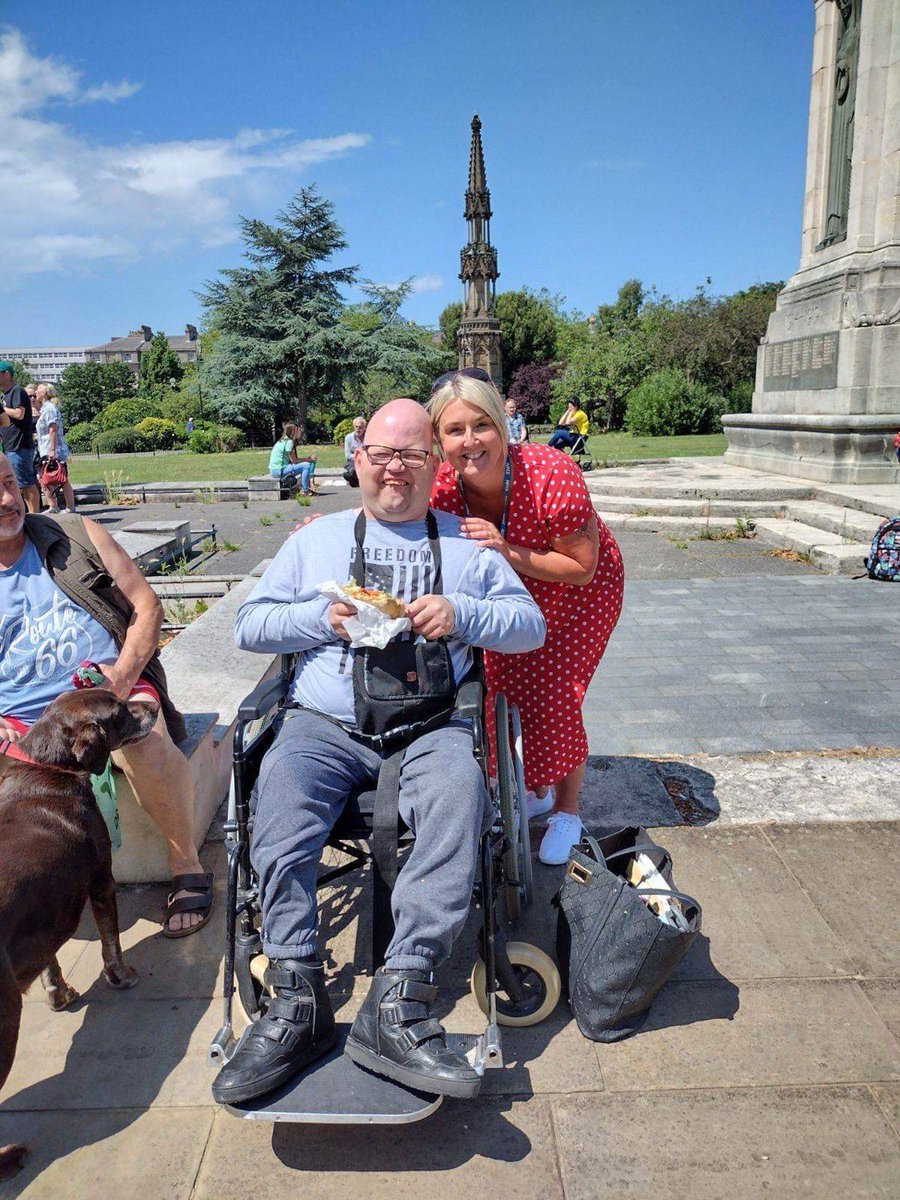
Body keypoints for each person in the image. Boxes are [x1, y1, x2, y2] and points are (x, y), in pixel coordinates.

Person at [213, 398, 545, 1105]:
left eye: (412, 455)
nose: (396, 467)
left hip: (430, 728)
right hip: (323, 726)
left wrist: (465, 614)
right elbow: (249, 626)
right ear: (359, 459)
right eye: (382, 454)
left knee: (461, 799)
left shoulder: (465, 545)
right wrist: (315, 618)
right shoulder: (316, 541)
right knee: (276, 804)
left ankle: (397, 1004)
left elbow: (530, 626)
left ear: (434, 465)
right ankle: (296, 994)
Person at [0, 453, 212, 936]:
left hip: (104, 689)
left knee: (147, 744)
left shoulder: (75, 533)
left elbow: (147, 606)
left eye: (10, 483)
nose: (8, 500)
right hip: (20, 716)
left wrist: (119, 678)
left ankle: (186, 867)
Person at [428, 370, 624, 865]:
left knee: (555, 689)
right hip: (510, 593)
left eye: (481, 426)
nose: (470, 441)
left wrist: (507, 549)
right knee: (499, 683)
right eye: (454, 431)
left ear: (501, 424)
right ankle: (532, 783)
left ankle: (567, 806)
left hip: (579, 590)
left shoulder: (550, 473)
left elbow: (583, 567)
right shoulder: (443, 487)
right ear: (439, 440)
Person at [0, 361, 39, 514]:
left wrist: (1, 409)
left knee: (26, 483)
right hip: (10, 446)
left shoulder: (17, 391)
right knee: (18, 482)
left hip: (19, 445)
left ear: (7, 374)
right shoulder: (5, 394)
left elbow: (19, 413)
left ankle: (34, 516)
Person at [35, 383, 76, 513]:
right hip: (46, 448)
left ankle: (69, 506)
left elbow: (52, 429)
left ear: (45, 392)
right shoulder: (44, 409)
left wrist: (52, 450)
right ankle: (54, 506)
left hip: (53, 449)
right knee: (45, 478)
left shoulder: (50, 409)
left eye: (38, 389)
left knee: (60, 477)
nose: (36, 391)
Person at [269, 423, 315, 495]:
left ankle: (303, 488)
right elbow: (294, 461)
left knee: (304, 465)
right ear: (293, 431)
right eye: (298, 430)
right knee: (306, 466)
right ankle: (305, 491)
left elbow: (293, 460)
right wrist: (308, 459)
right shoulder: (289, 442)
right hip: (279, 471)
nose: (300, 431)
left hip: (275, 470)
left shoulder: (284, 440)